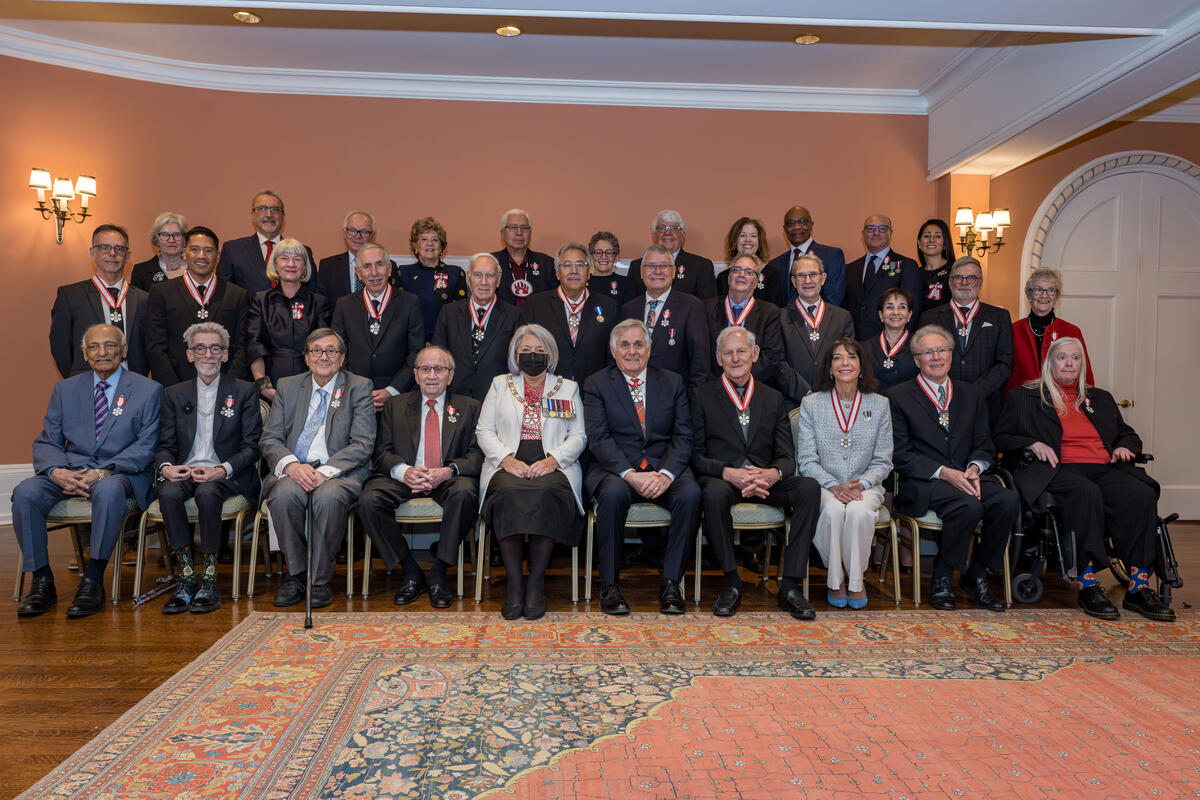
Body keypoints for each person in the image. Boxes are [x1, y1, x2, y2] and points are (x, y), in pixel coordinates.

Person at [994, 337, 1173, 621]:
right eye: (1062, 357)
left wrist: (1126, 447)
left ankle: (1138, 587)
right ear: (1049, 362)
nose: (1068, 363)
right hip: (1057, 468)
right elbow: (1001, 437)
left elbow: (1127, 433)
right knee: (1085, 492)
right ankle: (1088, 583)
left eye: (1075, 358)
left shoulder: (1100, 398)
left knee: (1140, 494)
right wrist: (1031, 444)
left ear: (1082, 363)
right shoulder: (1024, 397)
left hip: (1105, 467)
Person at [13, 324, 162, 617]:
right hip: (71, 469)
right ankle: (42, 580)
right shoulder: (65, 389)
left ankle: (93, 580)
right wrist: (56, 471)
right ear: (84, 353)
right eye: (94, 347)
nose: (103, 352)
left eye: (110, 345)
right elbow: (48, 439)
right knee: (26, 492)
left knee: (107, 489)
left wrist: (104, 470)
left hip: (121, 472)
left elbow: (147, 445)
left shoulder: (148, 390)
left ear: (125, 350)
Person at [692, 327, 821, 618]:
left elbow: (788, 456)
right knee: (711, 494)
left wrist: (773, 473)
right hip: (725, 480)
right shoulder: (702, 396)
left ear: (755, 354)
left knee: (809, 488)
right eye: (728, 352)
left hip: (766, 481)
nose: (735, 358)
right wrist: (728, 473)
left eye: (741, 351)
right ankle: (731, 581)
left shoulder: (773, 398)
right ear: (718, 358)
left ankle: (790, 584)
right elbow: (696, 456)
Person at [888, 325, 1016, 612]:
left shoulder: (971, 394)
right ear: (916, 359)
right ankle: (943, 577)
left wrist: (973, 467)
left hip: (969, 476)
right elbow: (899, 453)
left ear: (951, 354)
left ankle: (977, 574)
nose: (936, 357)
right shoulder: (898, 396)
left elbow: (984, 442)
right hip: (925, 481)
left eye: (941, 350)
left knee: (1007, 500)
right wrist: (945, 472)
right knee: (968, 506)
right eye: (927, 352)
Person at [582, 319, 701, 616]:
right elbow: (598, 437)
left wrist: (666, 474)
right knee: (611, 496)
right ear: (613, 350)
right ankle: (609, 586)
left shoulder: (672, 382)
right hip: (616, 471)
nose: (632, 351)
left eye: (639, 344)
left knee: (690, 494)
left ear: (649, 350)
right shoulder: (596, 383)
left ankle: (671, 584)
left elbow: (684, 435)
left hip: (664, 470)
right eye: (625, 345)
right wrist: (630, 474)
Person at [356, 346, 483, 609]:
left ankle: (438, 573)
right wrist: (406, 471)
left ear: (450, 375)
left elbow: (477, 454)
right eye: (425, 369)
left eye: (439, 369)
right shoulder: (396, 404)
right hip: (406, 476)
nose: (432, 375)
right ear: (415, 375)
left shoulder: (470, 407)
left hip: (447, 477)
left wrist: (447, 470)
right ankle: (410, 570)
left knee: (464, 493)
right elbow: (382, 452)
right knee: (369, 500)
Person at [259, 328, 376, 608]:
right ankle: (297, 574)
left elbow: (363, 443)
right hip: (295, 468)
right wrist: (291, 466)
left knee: (328, 496)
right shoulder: (288, 386)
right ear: (307, 357)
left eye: (331, 351)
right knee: (285, 495)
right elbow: (270, 438)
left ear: (342, 357)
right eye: (317, 351)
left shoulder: (359, 386)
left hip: (338, 471)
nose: (324, 356)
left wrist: (325, 472)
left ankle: (320, 580)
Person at [476, 324, 586, 620]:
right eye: (526, 351)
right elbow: (484, 430)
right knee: (509, 493)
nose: (533, 356)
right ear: (515, 354)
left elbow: (578, 437)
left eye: (539, 351)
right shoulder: (500, 384)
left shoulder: (567, 387)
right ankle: (514, 585)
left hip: (552, 464)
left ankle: (536, 583)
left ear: (550, 356)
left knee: (547, 492)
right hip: (507, 463)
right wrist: (506, 460)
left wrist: (552, 461)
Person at [154, 322, 261, 614]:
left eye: (215, 348)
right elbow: (163, 443)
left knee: (208, 493)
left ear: (225, 355)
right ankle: (187, 577)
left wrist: (222, 469)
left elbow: (252, 446)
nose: (208, 354)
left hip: (226, 473)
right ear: (190, 355)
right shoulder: (173, 394)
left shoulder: (244, 391)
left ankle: (210, 578)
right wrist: (166, 467)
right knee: (170, 494)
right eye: (200, 348)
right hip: (184, 470)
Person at [796, 338, 893, 609]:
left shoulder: (880, 404)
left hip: (867, 485)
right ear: (829, 368)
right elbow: (806, 459)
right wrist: (832, 485)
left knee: (859, 512)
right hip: (825, 485)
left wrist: (862, 483)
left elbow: (884, 460)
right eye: (837, 358)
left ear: (861, 367)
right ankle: (836, 580)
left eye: (851, 357)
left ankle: (857, 580)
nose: (844, 363)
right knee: (834, 511)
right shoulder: (812, 404)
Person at [146, 226, 249, 386]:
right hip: (176, 386)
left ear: (218, 256)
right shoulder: (162, 292)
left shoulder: (236, 295)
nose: (202, 256)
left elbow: (242, 347)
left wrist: (229, 386)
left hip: (225, 386)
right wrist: (174, 389)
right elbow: (156, 347)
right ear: (184, 253)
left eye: (208, 250)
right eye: (195, 249)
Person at [918, 256, 1013, 426]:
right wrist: (948, 390)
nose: (964, 282)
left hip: (985, 403)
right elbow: (923, 359)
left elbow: (1005, 363)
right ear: (949, 282)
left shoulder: (999, 316)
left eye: (971, 277)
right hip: (940, 401)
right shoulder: (929, 317)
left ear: (981, 282)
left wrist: (974, 392)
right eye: (958, 277)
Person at [331, 243, 424, 411]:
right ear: (358, 273)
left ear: (389, 269)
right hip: (355, 398)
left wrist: (392, 390)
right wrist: (357, 389)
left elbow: (416, 353)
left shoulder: (410, 303)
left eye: (379, 265)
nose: (374, 273)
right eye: (367, 267)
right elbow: (337, 352)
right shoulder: (344, 305)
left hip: (399, 399)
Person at [50, 223, 151, 378]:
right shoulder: (70, 296)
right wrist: (77, 380)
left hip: (134, 386)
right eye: (104, 247)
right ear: (92, 252)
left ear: (128, 256)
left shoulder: (144, 298)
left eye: (119, 248)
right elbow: (61, 347)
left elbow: (150, 348)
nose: (112, 253)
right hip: (86, 383)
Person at [245, 238, 333, 402]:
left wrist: (318, 385)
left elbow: (325, 348)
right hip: (270, 381)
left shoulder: (320, 302)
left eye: (297, 259)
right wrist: (263, 386)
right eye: (284, 258)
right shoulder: (260, 300)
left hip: (311, 381)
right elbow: (253, 344)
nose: (291, 264)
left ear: (304, 266)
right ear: (275, 264)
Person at [519, 243, 619, 384]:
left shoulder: (608, 306)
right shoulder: (536, 305)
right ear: (557, 272)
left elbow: (613, 356)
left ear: (589, 271)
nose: (574, 271)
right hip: (548, 390)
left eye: (580, 265)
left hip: (594, 392)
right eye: (567, 265)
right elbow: (524, 352)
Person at [433, 253, 521, 401]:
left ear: (498, 280)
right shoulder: (449, 312)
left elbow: (517, 365)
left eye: (490, 276)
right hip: (455, 397)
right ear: (469, 278)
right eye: (478, 275)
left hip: (497, 398)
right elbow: (438, 357)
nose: (484, 282)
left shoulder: (514, 316)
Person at [621, 245, 710, 389]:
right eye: (651, 266)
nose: (657, 271)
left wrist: (693, 404)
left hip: (676, 401)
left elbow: (700, 365)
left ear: (673, 271)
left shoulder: (692, 307)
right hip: (634, 397)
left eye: (663, 266)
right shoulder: (628, 309)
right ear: (642, 272)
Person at [777, 252, 855, 406]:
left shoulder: (842, 317)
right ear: (793, 281)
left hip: (834, 400)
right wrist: (806, 393)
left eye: (813, 274)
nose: (807, 281)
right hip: (792, 403)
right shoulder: (780, 318)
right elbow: (779, 363)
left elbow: (847, 361)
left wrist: (826, 393)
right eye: (801, 276)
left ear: (823, 278)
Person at [1005, 267, 1094, 394]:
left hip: (1062, 404)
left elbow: (1086, 376)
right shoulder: (1012, 330)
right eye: (1038, 290)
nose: (1044, 295)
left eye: (1051, 290)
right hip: (1020, 404)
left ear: (1056, 296)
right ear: (1029, 295)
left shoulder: (1072, 331)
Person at [705, 253, 783, 388]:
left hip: (753, 388)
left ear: (756, 282)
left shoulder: (769, 312)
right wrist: (721, 384)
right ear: (729, 278)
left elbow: (770, 358)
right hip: (713, 388)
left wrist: (740, 381)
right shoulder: (706, 308)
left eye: (749, 272)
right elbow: (701, 354)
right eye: (736, 270)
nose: (742, 274)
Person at [216, 189, 314, 293]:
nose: (269, 214)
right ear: (253, 215)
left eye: (275, 209)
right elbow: (224, 295)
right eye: (262, 209)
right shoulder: (233, 250)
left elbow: (312, 293)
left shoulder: (302, 251)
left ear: (283, 216)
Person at [843, 214, 922, 340]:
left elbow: (913, 308)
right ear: (863, 234)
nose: (876, 233)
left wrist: (901, 343)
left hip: (890, 342)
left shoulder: (906, 265)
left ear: (890, 233)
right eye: (870, 229)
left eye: (882, 229)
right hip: (855, 342)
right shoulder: (850, 268)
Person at [396, 216, 467, 341]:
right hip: (410, 343)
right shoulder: (403, 273)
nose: (430, 243)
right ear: (415, 246)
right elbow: (399, 317)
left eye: (435, 239)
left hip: (446, 341)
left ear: (441, 247)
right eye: (424, 239)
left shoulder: (456, 274)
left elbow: (460, 317)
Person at [764, 205, 846, 307]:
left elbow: (833, 298)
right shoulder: (775, 264)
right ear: (785, 229)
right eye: (791, 223)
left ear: (811, 225)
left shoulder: (832, 255)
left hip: (820, 321)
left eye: (802, 221)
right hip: (782, 321)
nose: (797, 227)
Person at [627, 210, 718, 300]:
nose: (667, 233)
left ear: (682, 235)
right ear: (654, 235)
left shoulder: (701, 266)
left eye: (674, 228)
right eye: (661, 228)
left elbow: (708, 308)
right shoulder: (636, 267)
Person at [491, 208, 557, 308]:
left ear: (530, 233)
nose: (519, 233)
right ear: (502, 234)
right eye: (513, 227)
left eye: (524, 228)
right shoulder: (490, 263)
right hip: (501, 322)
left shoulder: (547, 264)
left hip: (538, 322)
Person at [314, 210, 378, 304]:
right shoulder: (328, 266)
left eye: (364, 232)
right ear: (345, 233)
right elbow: (321, 306)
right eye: (352, 230)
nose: (358, 236)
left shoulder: (385, 267)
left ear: (372, 236)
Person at [864, 288, 919, 393]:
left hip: (910, 405)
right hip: (876, 406)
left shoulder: (919, 345)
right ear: (881, 315)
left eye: (902, 307)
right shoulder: (865, 347)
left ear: (909, 315)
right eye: (889, 307)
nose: (895, 312)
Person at [716, 217, 783, 304]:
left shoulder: (772, 275)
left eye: (753, 236)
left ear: (759, 243)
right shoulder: (723, 277)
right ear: (734, 242)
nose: (748, 240)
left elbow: (775, 311)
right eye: (742, 235)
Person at [130, 212, 189, 290]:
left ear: (184, 239)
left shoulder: (194, 269)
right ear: (156, 239)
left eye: (177, 235)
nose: (171, 240)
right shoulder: (141, 271)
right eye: (165, 235)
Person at [586, 231, 637, 307]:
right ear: (591, 257)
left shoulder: (627, 284)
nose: (604, 257)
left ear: (616, 257)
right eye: (598, 252)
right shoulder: (583, 283)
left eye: (609, 253)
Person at [915, 219, 955, 311]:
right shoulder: (914, 274)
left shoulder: (955, 271)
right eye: (926, 236)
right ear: (919, 243)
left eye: (937, 236)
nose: (931, 240)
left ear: (945, 244)